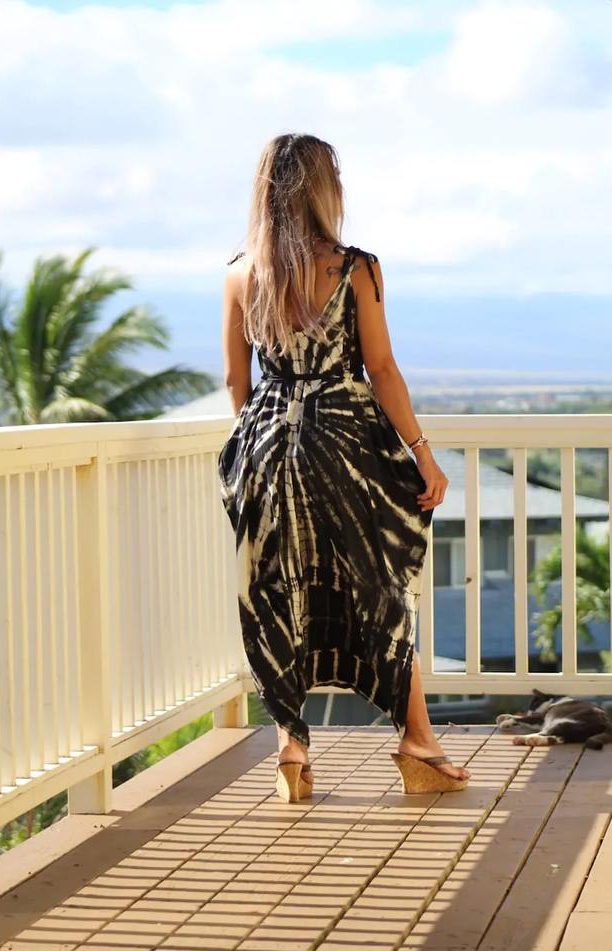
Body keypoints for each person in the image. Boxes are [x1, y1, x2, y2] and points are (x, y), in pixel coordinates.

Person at [218, 133, 472, 798]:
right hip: (346, 446)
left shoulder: (241, 273)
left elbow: (236, 382)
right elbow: (380, 370)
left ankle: (292, 749)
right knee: (380, 588)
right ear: (322, 190)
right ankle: (418, 741)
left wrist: (261, 443)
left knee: (278, 591)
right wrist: (422, 453)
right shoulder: (355, 268)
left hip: (266, 448)